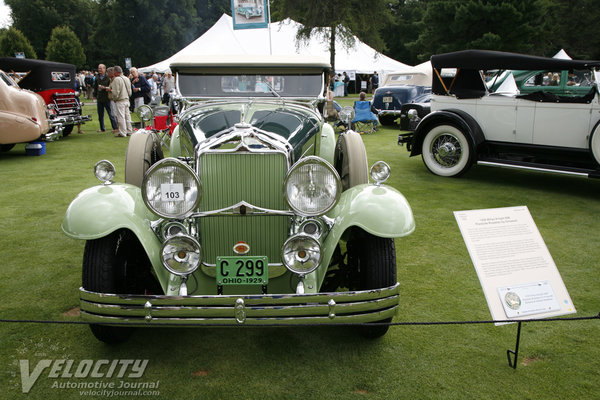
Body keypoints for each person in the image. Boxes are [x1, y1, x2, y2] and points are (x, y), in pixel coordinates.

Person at [93, 63, 118, 133]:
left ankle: (115, 127)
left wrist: (103, 87)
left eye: (101, 68)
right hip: (99, 98)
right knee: (100, 115)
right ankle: (102, 128)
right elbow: (95, 87)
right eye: (98, 68)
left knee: (111, 114)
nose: (99, 70)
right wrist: (94, 95)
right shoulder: (97, 77)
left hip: (107, 98)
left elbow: (111, 87)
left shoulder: (108, 77)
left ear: (104, 69)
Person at [108, 66, 133, 137]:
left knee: (121, 117)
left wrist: (114, 99)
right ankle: (129, 130)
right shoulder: (126, 78)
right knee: (127, 116)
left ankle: (122, 132)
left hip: (120, 100)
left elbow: (116, 92)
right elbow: (130, 91)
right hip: (127, 99)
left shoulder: (117, 79)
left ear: (116, 72)